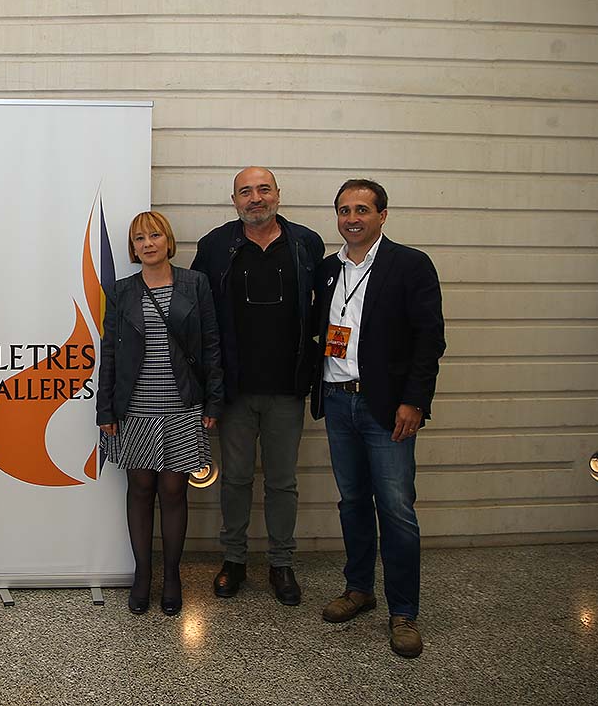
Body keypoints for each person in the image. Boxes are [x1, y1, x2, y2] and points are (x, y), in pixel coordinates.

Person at [311, 178, 445, 659]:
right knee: (352, 501)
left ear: (382, 215)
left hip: (387, 408)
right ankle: (359, 589)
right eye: (344, 210)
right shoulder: (328, 270)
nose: (352, 218)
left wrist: (415, 401)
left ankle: (404, 612)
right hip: (337, 400)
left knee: (396, 509)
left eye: (362, 209)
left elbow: (430, 340)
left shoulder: (410, 265)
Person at [191, 167, 324, 605]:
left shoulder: (306, 244)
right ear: (234, 201)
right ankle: (234, 560)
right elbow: (197, 314)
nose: (255, 198)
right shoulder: (214, 246)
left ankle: (282, 563)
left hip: (288, 386)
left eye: (263, 189)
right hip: (235, 389)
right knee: (236, 479)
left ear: (278, 196)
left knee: (283, 481)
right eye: (245, 191)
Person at [96, 211, 222, 616]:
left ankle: (171, 575)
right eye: (138, 239)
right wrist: (105, 408)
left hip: (183, 404)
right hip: (134, 408)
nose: (147, 243)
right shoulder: (121, 290)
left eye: (154, 235)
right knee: (140, 490)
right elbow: (110, 353)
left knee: (174, 491)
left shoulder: (194, 283)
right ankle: (142, 574)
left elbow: (211, 345)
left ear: (168, 240)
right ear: (132, 249)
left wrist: (214, 401)